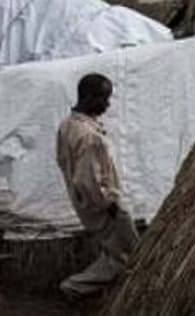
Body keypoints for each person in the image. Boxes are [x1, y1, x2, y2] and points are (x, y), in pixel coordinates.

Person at [55, 73, 138, 298]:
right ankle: (74, 288)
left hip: (86, 204)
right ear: (90, 97)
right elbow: (87, 179)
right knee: (125, 256)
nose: (107, 104)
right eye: (104, 98)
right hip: (103, 208)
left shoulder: (67, 126)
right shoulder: (89, 136)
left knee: (114, 253)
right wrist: (110, 205)